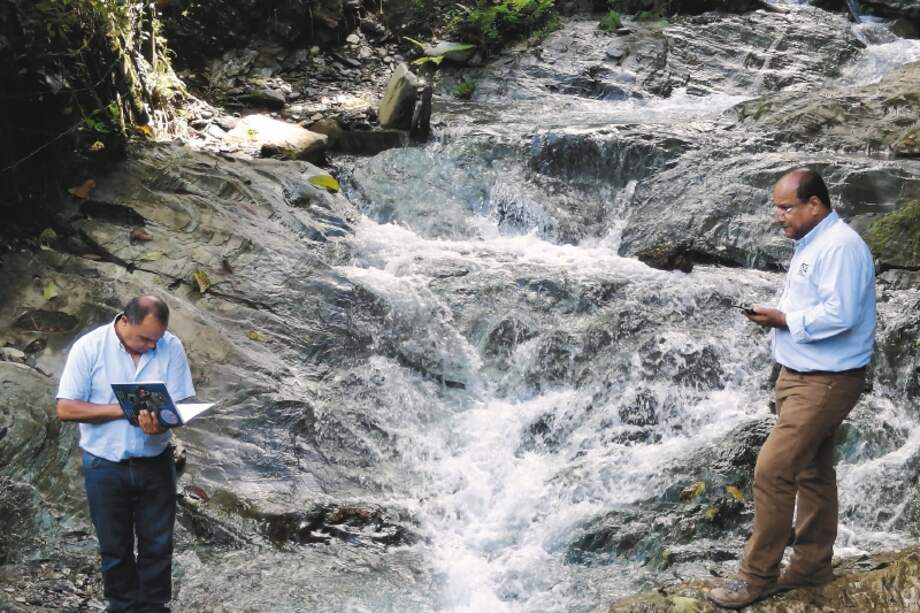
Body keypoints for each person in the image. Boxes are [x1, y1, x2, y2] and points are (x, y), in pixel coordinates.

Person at [709, 169, 876, 609]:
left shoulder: (840, 247)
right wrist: (780, 313)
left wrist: (783, 320)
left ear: (815, 205)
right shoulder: (815, 244)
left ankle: (756, 577)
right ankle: (812, 566)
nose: (778, 216)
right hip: (802, 375)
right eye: (776, 208)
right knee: (812, 472)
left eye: (785, 208)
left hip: (826, 382)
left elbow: (841, 315)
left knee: (772, 469)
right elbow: (816, 304)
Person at [57, 295, 195, 612]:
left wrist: (161, 426)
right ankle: (120, 606)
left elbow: (183, 404)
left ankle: (153, 607)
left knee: (158, 545)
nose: (150, 345)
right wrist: (124, 410)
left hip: (156, 461)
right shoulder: (90, 347)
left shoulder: (170, 346)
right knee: (114, 546)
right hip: (104, 464)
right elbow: (65, 408)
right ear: (125, 321)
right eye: (144, 338)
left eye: (155, 339)